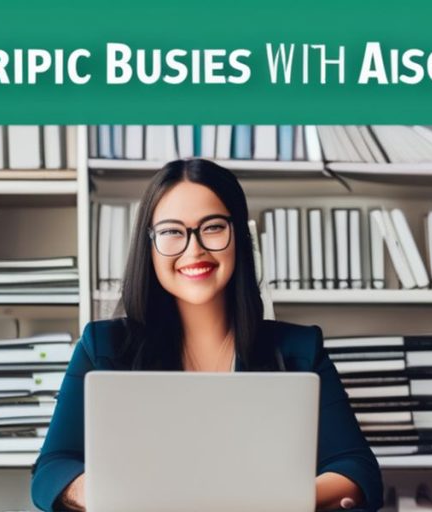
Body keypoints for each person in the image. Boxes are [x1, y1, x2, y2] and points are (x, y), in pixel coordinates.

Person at [30, 158, 383, 512]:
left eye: (212, 227)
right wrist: (106, 493)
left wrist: (274, 501)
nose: (194, 249)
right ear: (149, 246)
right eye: (171, 232)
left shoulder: (300, 349)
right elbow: (51, 469)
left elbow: (357, 470)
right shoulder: (102, 347)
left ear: (239, 237)